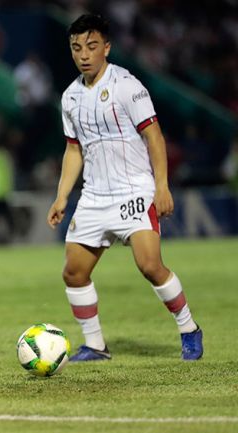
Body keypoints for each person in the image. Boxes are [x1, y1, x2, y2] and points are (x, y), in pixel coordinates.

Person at [47, 14, 203, 362]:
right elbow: (74, 149)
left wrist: (162, 187)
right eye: (76, 48)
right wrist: (61, 196)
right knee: (74, 272)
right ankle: (96, 346)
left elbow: (154, 136)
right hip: (94, 196)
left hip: (134, 190)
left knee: (150, 265)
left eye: (91, 46)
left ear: (107, 47)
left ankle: (189, 328)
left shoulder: (127, 86)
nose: (83, 54)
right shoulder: (70, 97)